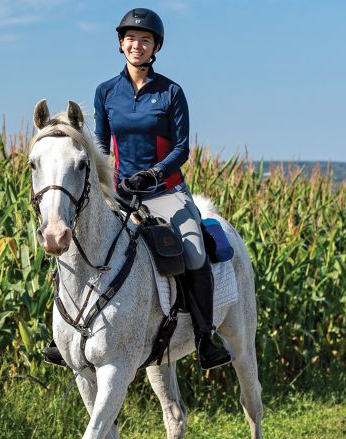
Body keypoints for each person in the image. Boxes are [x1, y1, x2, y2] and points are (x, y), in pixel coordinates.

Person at [44, 7, 231, 371]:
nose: (137, 45)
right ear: (121, 43)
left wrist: (153, 173)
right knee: (75, 246)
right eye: (131, 39)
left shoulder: (171, 92)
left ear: (155, 47)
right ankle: (62, 336)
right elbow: (100, 146)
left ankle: (204, 338)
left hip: (166, 193)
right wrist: (106, 184)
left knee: (194, 253)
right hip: (121, 194)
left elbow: (181, 149)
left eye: (145, 40)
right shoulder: (106, 92)